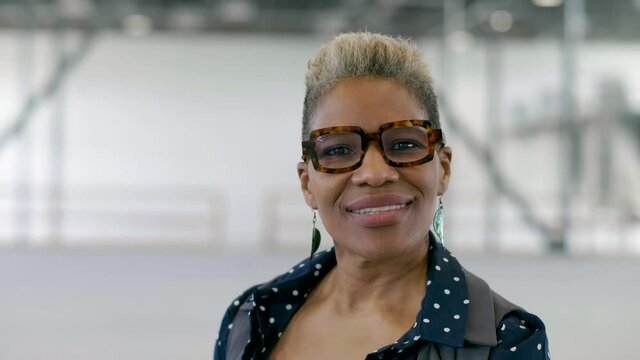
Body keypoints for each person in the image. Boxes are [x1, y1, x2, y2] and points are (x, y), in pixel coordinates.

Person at [214, 32, 550, 360]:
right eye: (339, 149)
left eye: (404, 144)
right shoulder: (252, 318)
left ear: (443, 169)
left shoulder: (503, 342)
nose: (375, 174)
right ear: (307, 184)